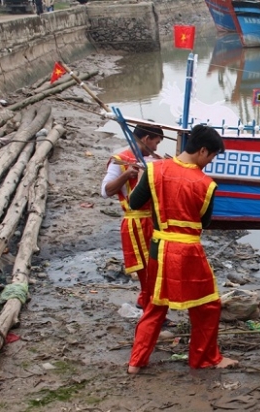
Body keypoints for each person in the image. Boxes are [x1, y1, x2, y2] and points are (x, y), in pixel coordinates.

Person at [127, 124, 238, 373]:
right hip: (188, 251)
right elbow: (204, 222)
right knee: (207, 305)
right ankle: (204, 358)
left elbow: (134, 203)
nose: (209, 162)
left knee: (155, 306)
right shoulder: (205, 184)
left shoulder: (155, 169)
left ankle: (136, 362)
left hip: (159, 246)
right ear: (202, 151)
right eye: (211, 156)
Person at [101, 124, 164, 311]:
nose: (156, 148)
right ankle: (150, 307)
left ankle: (146, 301)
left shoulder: (154, 160)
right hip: (137, 222)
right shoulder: (120, 161)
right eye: (156, 142)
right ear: (145, 139)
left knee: (157, 267)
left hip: (155, 221)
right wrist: (127, 175)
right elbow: (105, 191)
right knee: (147, 269)